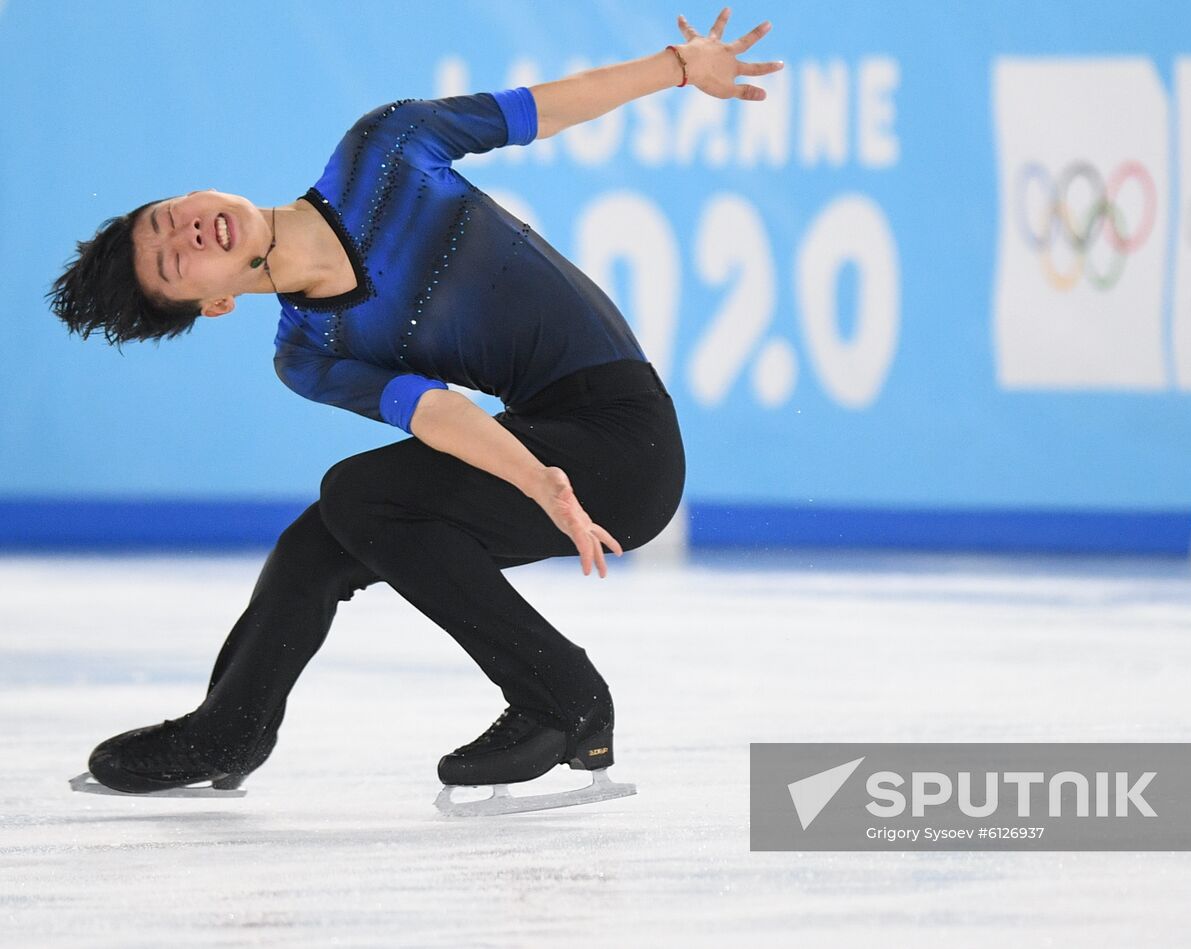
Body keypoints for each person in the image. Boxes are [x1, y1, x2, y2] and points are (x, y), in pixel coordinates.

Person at [45, 9, 782, 802]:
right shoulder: (309, 351)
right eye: (174, 263)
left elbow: (540, 107)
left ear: (194, 192)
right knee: (323, 538)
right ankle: (231, 725)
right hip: (550, 456)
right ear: (214, 304)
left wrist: (678, 65)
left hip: (625, 447)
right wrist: (540, 479)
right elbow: (436, 415)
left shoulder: (382, 149)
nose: (186, 234)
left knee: (356, 497)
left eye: (168, 218)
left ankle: (562, 698)